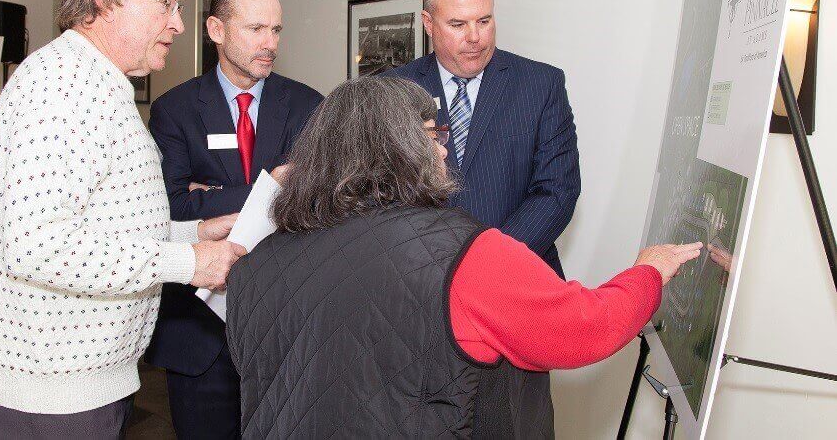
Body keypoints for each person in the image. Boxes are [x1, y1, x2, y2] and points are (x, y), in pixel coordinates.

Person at [226, 76, 701, 439]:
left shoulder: (254, 264)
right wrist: (649, 271)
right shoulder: (465, 253)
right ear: (405, 149)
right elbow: (585, 328)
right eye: (434, 136)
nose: (443, 150)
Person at [0, 0, 245, 439]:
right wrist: (189, 263)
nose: (179, 24)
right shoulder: (58, 88)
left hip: (84, 377)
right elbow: (39, 245)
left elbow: (109, 224)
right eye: (167, 4)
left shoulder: (98, 84)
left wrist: (197, 233)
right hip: (51, 388)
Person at [144, 0, 323, 439]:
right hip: (199, 333)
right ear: (216, 30)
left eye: (276, 31)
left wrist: (210, 196)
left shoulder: (308, 106)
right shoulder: (174, 109)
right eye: (256, 29)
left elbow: (317, 199)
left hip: (286, 325)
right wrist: (274, 184)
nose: (270, 44)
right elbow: (172, 207)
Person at [385, 0, 580, 278]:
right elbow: (383, 195)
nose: (475, 37)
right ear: (428, 23)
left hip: (521, 278)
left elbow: (558, 191)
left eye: (484, 21)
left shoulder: (541, 85)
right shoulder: (392, 91)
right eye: (458, 24)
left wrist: (490, 263)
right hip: (425, 284)